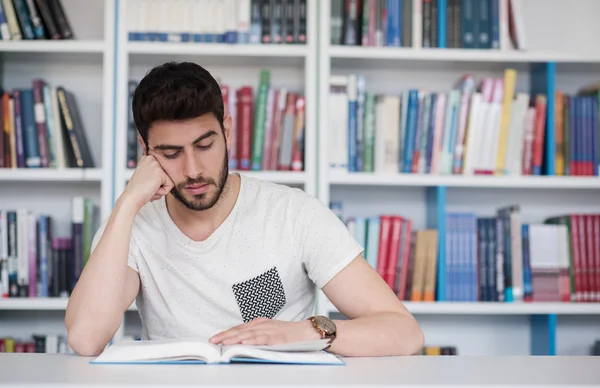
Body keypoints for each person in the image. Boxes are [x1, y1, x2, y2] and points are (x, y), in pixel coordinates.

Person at [64, 62, 424, 357]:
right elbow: (86, 338)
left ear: (227, 132)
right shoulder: (131, 225)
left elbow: (404, 332)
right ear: (145, 150)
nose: (192, 170)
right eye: (170, 154)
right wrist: (127, 203)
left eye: (205, 145)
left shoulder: (293, 214)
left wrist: (303, 333)